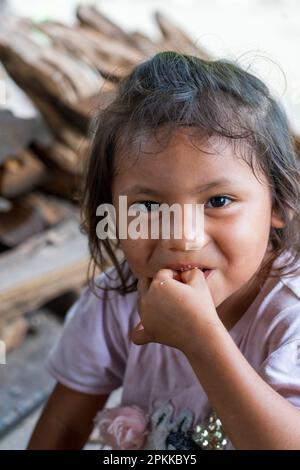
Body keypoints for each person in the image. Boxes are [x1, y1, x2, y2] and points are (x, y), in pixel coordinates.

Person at [28, 51, 300, 450]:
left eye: (218, 201)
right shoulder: (117, 299)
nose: (183, 238)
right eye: (150, 207)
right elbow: (63, 428)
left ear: (279, 203)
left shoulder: (289, 317)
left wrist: (201, 340)